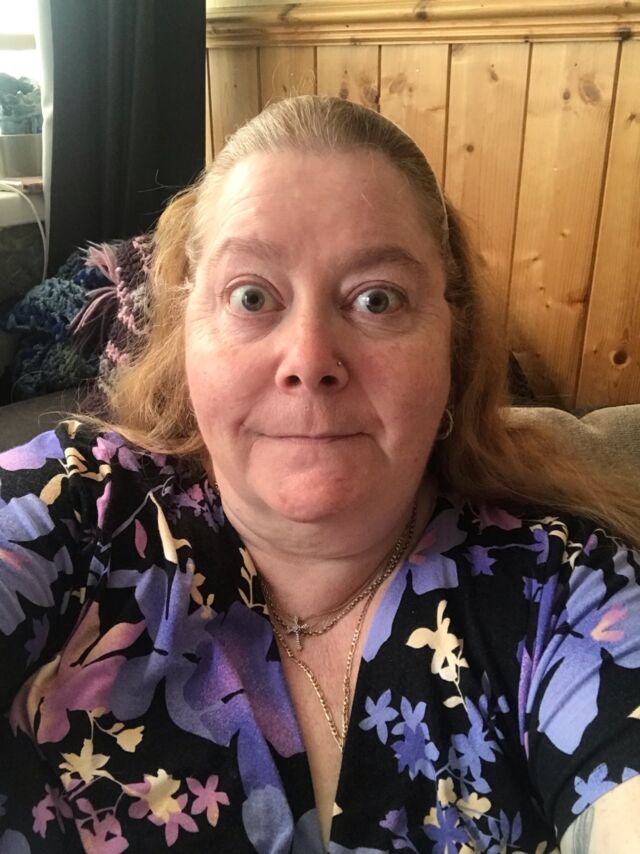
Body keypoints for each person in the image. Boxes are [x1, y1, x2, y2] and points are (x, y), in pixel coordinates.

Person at [0, 95, 639, 854]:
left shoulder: (567, 590)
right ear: (186, 330)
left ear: (454, 342)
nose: (308, 358)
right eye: (251, 296)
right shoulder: (75, 505)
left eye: (376, 299)